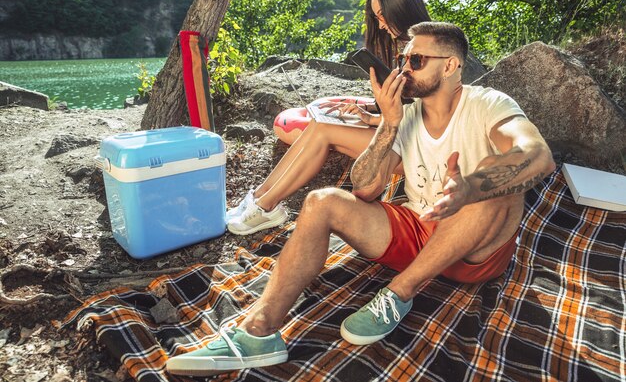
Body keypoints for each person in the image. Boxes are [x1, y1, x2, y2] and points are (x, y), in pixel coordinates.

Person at [166, 22, 556, 376]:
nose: (404, 70)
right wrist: (387, 125)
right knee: (322, 201)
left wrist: (470, 188)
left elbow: (537, 155)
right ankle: (258, 333)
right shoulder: (407, 115)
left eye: (416, 60)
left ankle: (400, 291)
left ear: (451, 66)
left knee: (500, 178)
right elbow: (366, 189)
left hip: (472, 251)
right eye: (403, 60)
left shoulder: (488, 104)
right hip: (419, 230)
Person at [227, 0, 431, 236]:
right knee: (319, 124)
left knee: (324, 131)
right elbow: (410, 105)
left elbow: (427, 118)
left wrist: (375, 119)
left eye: (382, 16)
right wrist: (370, 111)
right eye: (377, 17)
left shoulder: (428, 52)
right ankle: (259, 196)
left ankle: (266, 207)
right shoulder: (409, 48)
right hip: (402, 136)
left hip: (419, 150)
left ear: (401, 9)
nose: (380, 26)